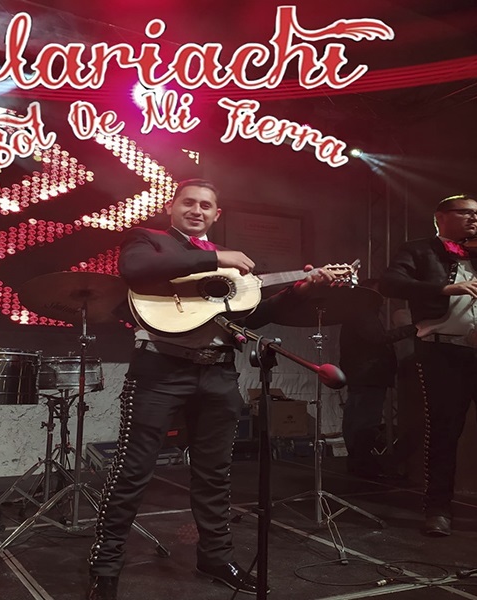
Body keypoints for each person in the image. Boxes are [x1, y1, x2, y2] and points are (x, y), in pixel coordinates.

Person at [86, 179, 335, 600]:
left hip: (218, 373)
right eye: (189, 202)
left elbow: (250, 316)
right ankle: (105, 567)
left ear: (217, 215)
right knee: (132, 471)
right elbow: (135, 270)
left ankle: (216, 558)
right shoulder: (149, 240)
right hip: (159, 371)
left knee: (215, 474)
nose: (197, 210)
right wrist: (217, 257)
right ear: (172, 207)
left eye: (206, 205)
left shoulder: (226, 263)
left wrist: (299, 291)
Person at [379, 194, 477, 537]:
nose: (474, 218)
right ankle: (438, 508)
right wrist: (444, 288)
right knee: (444, 431)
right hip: (441, 351)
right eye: (465, 212)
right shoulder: (419, 250)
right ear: (440, 216)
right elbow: (390, 283)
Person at [339, 279, 416, 479]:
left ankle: (358, 461)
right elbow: (378, 338)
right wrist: (412, 328)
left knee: (356, 418)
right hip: (369, 375)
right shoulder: (363, 314)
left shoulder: (355, 313)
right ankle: (363, 463)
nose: (382, 298)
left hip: (362, 374)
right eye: (378, 293)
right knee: (365, 420)